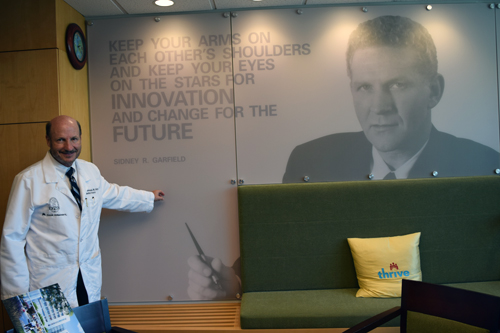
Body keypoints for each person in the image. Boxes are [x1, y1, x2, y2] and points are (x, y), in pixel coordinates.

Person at [282, 15, 499, 183]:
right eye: (365, 87)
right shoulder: (310, 162)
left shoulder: (483, 167)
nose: (379, 107)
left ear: (433, 91)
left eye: (397, 85)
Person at [0, 115, 165, 308]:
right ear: (48, 140)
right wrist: (17, 297)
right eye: (60, 139)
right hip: (49, 279)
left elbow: (112, 193)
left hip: (87, 274)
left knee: (88, 325)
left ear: (80, 138)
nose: (69, 147)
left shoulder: (89, 171)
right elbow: (12, 239)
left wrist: (147, 197)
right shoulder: (28, 180)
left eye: (74, 139)